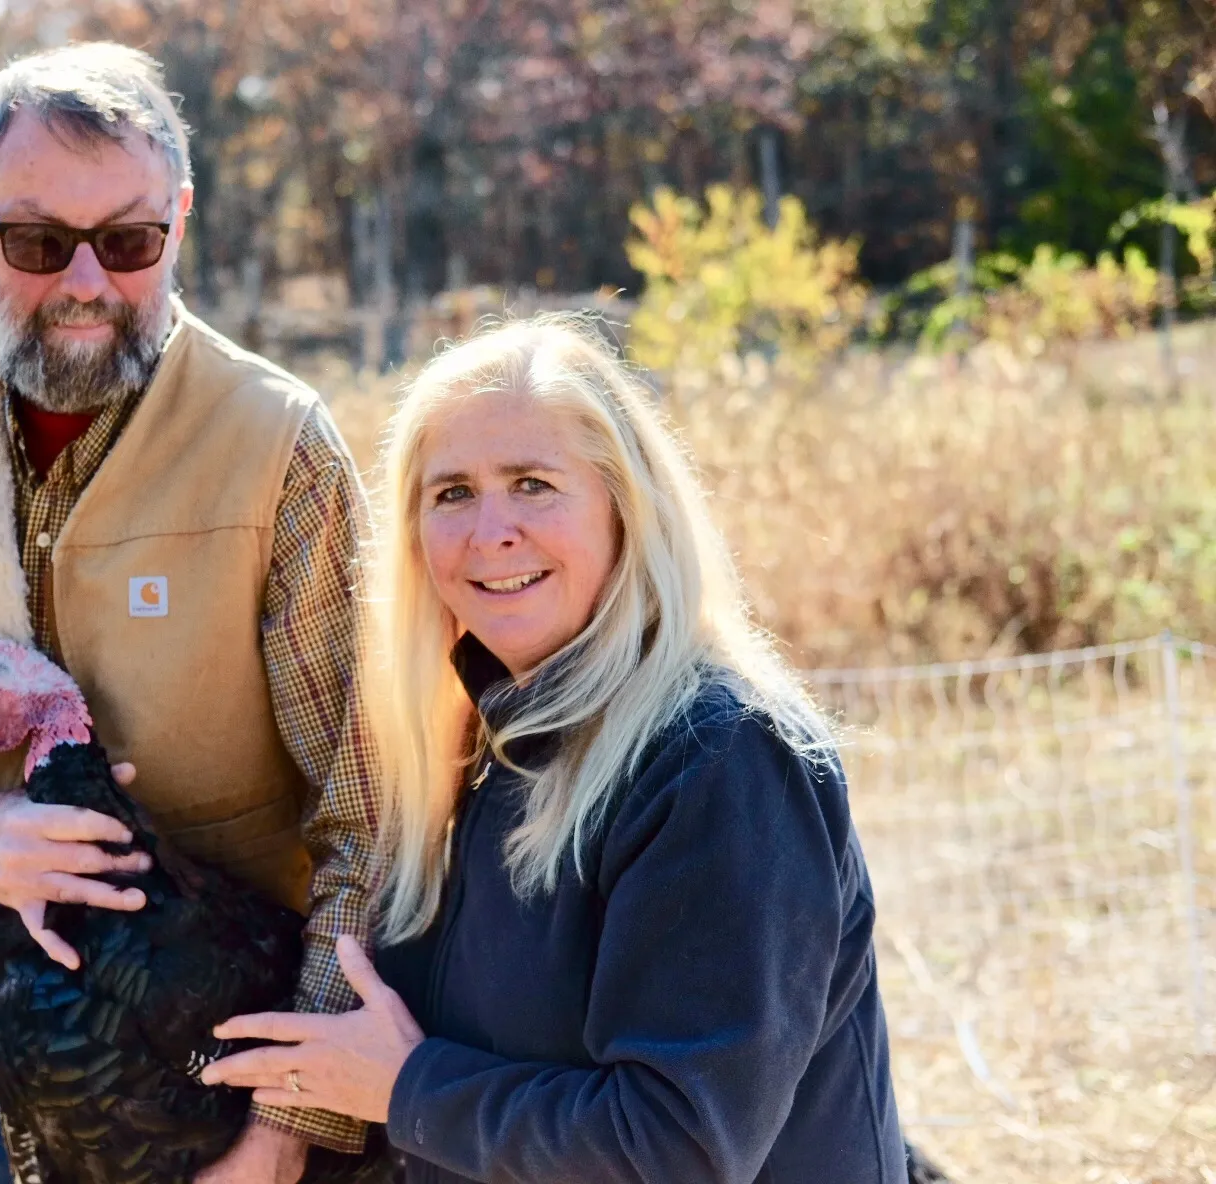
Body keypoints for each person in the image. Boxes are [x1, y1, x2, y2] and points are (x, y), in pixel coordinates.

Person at [0, 42, 377, 1184]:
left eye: (130, 241)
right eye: (38, 242)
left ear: (180, 221)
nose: (86, 283)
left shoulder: (283, 452)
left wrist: (290, 1126)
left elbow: (368, 813)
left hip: (202, 1087)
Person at [201, 316, 908, 1182]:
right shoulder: (474, 749)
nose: (490, 530)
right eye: (451, 492)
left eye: (533, 484)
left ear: (626, 506)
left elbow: (678, 1149)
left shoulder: (720, 760)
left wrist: (407, 1087)